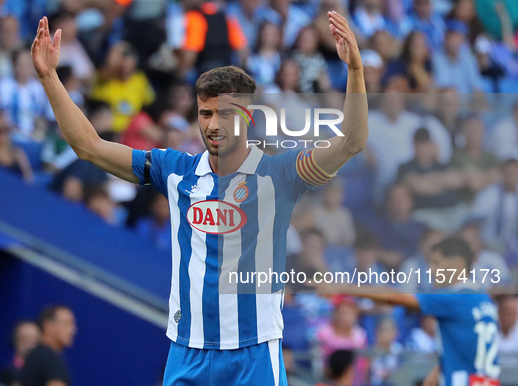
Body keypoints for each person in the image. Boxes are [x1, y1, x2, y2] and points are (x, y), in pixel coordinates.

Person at [32, 10, 367, 384]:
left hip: (253, 350)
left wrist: (355, 70)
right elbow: (89, 146)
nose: (211, 124)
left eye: (223, 113)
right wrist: (49, 78)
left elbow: (351, 141)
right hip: (187, 350)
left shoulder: (279, 174)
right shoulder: (175, 169)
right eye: (205, 113)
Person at [317, 237, 501, 386]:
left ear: (458, 264)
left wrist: (341, 287)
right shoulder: (482, 300)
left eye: (437, 263)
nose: (431, 270)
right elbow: (460, 352)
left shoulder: (454, 298)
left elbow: (396, 298)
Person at [20, 306, 76, 386]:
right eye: (66, 324)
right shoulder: (49, 357)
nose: (72, 331)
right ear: (48, 326)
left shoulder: (34, 354)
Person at [0, 320, 41, 386]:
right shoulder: (8, 372)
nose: (29, 345)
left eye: (34, 340)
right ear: (14, 340)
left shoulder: (44, 373)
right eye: (24, 339)